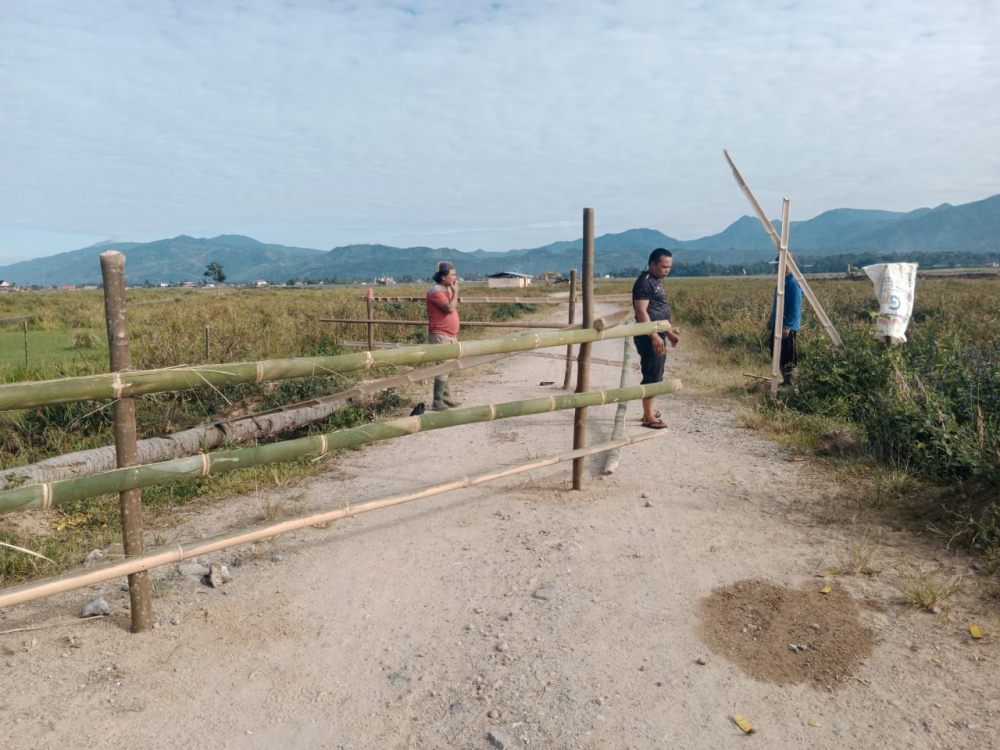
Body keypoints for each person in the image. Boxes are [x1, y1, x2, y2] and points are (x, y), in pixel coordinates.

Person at [632, 248, 680, 428]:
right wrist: (653, 334)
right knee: (652, 373)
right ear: (652, 264)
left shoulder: (655, 281)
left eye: (669, 267)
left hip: (658, 333)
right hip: (648, 335)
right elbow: (641, 311)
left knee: (657, 372)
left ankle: (650, 410)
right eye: (663, 267)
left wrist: (668, 332)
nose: (667, 270)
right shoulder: (645, 283)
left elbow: (657, 313)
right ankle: (648, 416)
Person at [426, 260, 461, 410]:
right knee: (442, 368)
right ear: (443, 276)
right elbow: (449, 308)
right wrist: (456, 292)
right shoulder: (436, 291)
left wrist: (453, 291)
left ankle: (446, 398)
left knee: (448, 367)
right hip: (440, 334)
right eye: (452, 275)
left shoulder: (447, 289)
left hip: (450, 334)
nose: (455, 278)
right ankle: (437, 401)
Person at [768, 254, 803, 387]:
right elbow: (778, 305)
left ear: (787, 264)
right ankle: (785, 380)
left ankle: (792, 383)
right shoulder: (783, 281)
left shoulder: (793, 282)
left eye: (778, 264)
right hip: (777, 324)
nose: (776, 267)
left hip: (787, 327)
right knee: (777, 352)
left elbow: (795, 306)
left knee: (789, 355)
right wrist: (771, 319)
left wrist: (787, 325)